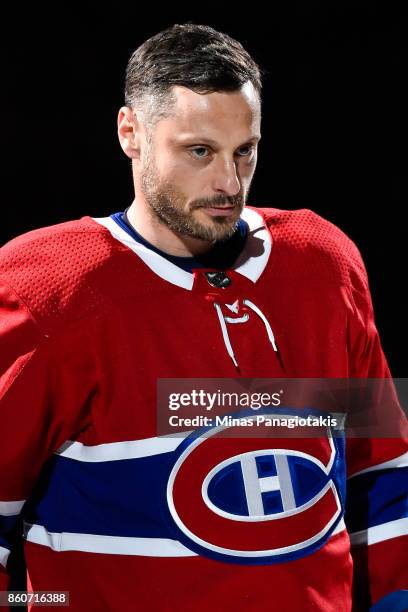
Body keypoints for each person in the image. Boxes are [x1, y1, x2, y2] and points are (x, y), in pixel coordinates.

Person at [0, 23, 406, 612]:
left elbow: (383, 473)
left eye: (246, 151)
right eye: (199, 152)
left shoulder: (324, 263)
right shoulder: (47, 287)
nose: (228, 183)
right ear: (131, 133)